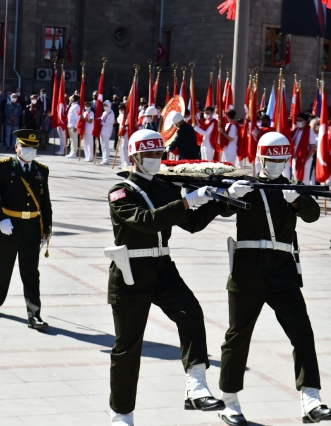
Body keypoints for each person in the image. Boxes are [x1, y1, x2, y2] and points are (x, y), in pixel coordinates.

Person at [216, 132, 331, 426]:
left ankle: (311, 399)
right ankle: (229, 401)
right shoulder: (246, 184)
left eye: (281, 160)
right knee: (238, 335)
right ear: (260, 158)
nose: (275, 165)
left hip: (282, 269)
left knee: (302, 333)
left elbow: (312, 215)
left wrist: (296, 201)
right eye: (271, 160)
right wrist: (232, 194)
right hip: (247, 269)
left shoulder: (291, 187)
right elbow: (220, 208)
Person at [106, 129, 227, 426]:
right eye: (149, 155)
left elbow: (194, 223)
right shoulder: (120, 192)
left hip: (162, 267)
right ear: (134, 158)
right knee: (127, 346)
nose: (155, 160)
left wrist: (221, 198)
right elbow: (148, 222)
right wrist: (187, 201)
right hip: (131, 272)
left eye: (159, 154)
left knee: (191, 313)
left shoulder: (164, 187)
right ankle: (121, 413)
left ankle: (196, 386)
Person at [0, 129, 52, 328]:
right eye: (25, 147)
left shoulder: (41, 170)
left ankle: (34, 315)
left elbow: (45, 202)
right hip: (9, 227)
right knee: (1, 268)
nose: (29, 151)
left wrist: (46, 228)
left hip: (31, 227)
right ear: (17, 147)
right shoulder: (3, 166)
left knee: (31, 272)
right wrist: (0, 219)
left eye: (33, 148)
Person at [99, 99, 115, 164]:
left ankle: (106, 159)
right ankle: (104, 158)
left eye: (106, 105)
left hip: (107, 131)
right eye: (104, 105)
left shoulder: (111, 113)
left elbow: (108, 123)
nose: (104, 106)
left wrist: (101, 122)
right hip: (102, 131)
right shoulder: (104, 113)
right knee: (102, 145)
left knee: (106, 145)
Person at [66, 94, 81, 158]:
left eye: (71, 97)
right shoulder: (72, 105)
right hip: (70, 124)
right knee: (71, 139)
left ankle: (74, 153)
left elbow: (77, 117)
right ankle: (71, 152)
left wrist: (76, 126)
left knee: (74, 139)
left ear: (74, 99)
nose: (70, 98)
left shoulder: (77, 106)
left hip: (73, 125)